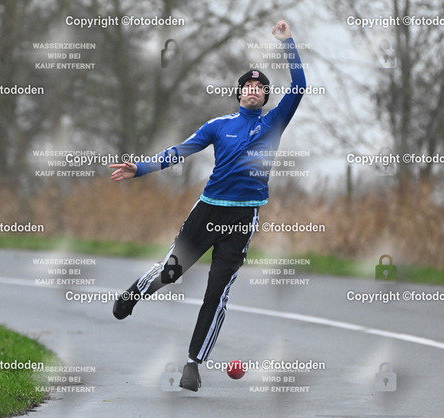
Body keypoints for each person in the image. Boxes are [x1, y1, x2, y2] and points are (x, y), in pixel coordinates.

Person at [110, 20, 305, 392]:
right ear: (239, 94)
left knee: (217, 292)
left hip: (243, 218)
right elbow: (180, 151)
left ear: (266, 97)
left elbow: (299, 85)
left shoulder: (274, 123)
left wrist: (288, 42)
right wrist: (142, 168)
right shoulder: (218, 125)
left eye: (260, 87)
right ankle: (135, 292)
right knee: (172, 272)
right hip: (207, 211)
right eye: (247, 86)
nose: (253, 90)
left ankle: (193, 364)